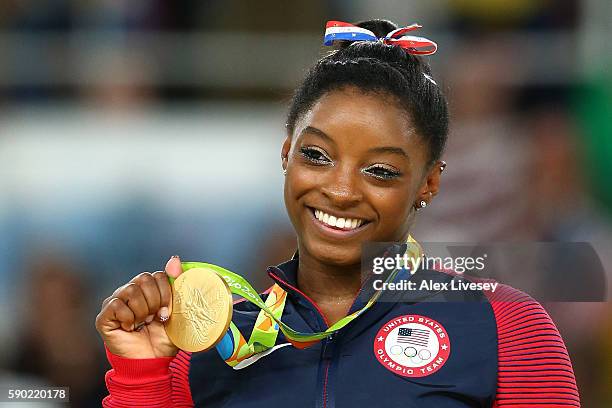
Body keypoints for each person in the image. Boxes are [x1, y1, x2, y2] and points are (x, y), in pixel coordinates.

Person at [95, 19, 580, 407]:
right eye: (317, 156)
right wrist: (143, 370)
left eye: (381, 171)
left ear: (429, 182)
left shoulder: (504, 325)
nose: (342, 190)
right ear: (286, 153)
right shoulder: (210, 345)